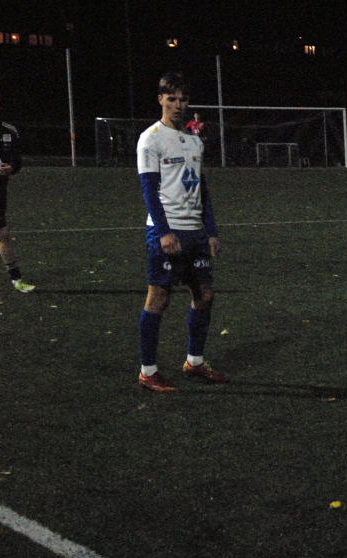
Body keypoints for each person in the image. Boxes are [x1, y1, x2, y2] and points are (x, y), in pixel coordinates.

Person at [135, 72, 228, 392]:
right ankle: (148, 372)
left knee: (204, 296)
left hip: (195, 232)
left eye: (183, 99)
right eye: (171, 98)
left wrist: (211, 231)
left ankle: (195, 362)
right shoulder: (151, 138)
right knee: (158, 299)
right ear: (160, 99)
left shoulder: (194, 140)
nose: (178, 104)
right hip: (166, 232)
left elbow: (202, 189)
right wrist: (163, 232)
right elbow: (149, 189)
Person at [0, 89, 34, 293]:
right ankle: (16, 280)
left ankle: (17, 280)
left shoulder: (10, 131)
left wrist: (11, 168)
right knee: (3, 232)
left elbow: (17, 161)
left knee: (2, 234)